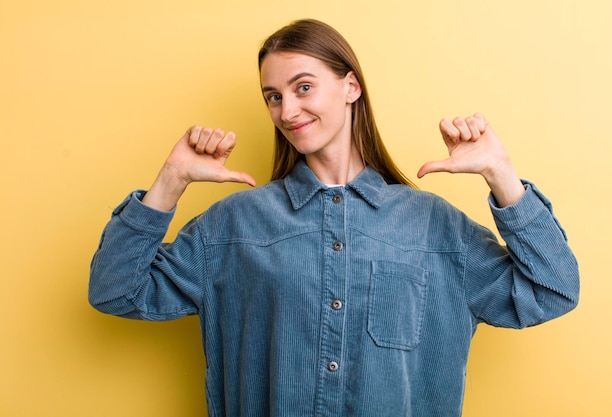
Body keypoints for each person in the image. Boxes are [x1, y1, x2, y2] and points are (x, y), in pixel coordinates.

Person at [89, 18, 579, 417]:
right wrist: (171, 179)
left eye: (303, 87)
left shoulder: (434, 226)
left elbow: (551, 290)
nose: (287, 110)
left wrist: (501, 174)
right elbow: (116, 290)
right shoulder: (234, 226)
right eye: (274, 96)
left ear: (350, 88)